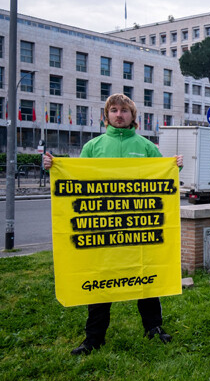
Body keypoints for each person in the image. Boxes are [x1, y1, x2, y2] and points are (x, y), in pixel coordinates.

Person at [43, 94, 184, 355]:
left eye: (124, 111)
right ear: (106, 115)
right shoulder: (92, 147)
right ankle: (93, 338)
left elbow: (162, 181)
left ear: (133, 116)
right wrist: (54, 167)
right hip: (102, 230)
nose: (119, 115)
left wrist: (175, 167)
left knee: (147, 279)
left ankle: (153, 328)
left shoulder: (146, 147)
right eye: (114, 110)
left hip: (138, 230)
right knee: (100, 283)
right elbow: (76, 182)